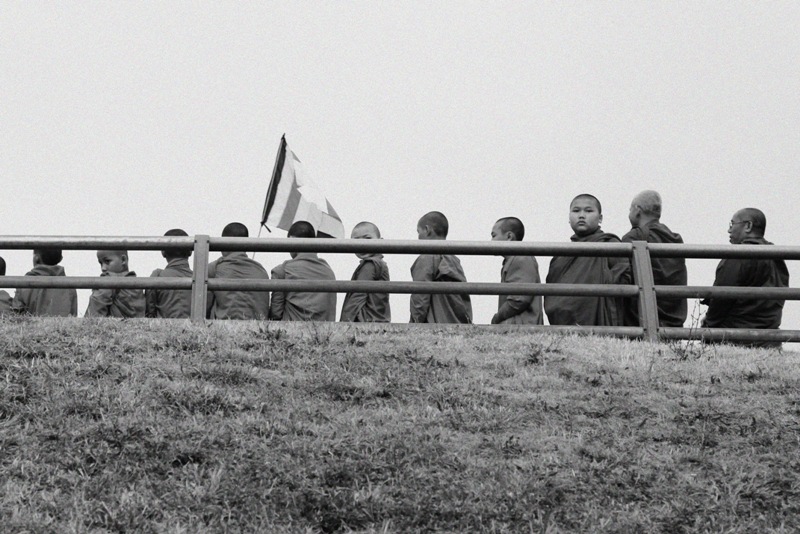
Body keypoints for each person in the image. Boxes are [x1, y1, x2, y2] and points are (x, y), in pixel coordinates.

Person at [702, 208, 789, 347]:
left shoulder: (739, 255)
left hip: (736, 337)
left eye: (732, 224)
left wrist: (708, 325)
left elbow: (721, 297)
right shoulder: (777, 256)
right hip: (769, 338)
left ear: (748, 226)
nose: (729, 230)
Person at [545, 194, 631, 326]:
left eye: (588, 211)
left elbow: (624, 279)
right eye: (576, 211)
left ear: (600, 218)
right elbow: (550, 294)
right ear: (569, 218)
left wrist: (601, 280)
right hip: (563, 324)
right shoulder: (560, 255)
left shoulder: (610, 244)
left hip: (598, 321)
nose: (581, 215)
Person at [622, 190, 687, 327]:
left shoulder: (634, 237)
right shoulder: (675, 239)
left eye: (630, 209)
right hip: (674, 317)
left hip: (642, 318)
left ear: (637, 210)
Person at [410, 211, 472, 324]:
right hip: (456, 324)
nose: (418, 238)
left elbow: (420, 298)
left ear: (427, 230)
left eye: (419, 232)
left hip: (434, 325)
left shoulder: (427, 258)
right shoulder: (454, 260)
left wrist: (414, 323)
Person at [269, 220, 337, 321]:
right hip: (324, 330)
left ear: (292, 240)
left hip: (290, 330)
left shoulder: (282, 271)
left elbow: (276, 314)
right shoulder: (329, 272)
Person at [207, 222, 270, 320]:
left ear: (223, 243)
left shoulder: (215, 268)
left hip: (223, 327)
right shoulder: (261, 270)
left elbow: (203, 307)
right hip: (256, 327)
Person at [490, 217, 543, 325]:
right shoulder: (513, 259)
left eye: (494, 236)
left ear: (509, 237)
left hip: (522, 328)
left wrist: (496, 319)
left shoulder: (521, 258)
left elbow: (518, 299)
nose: (491, 241)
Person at [340, 222, 391, 322]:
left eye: (367, 238)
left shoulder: (371, 264)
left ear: (381, 241)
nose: (362, 244)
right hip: (378, 320)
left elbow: (357, 298)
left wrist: (344, 323)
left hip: (366, 322)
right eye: (356, 241)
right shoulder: (379, 263)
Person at [11, 248, 78, 316]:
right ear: (61, 258)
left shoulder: (24, 284)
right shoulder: (69, 286)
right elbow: (73, 315)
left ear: (36, 258)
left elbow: (16, 316)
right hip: (61, 323)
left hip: (32, 323)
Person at [145, 229, 193, 319]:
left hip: (164, 327)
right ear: (190, 251)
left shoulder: (157, 276)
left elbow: (150, 313)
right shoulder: (200, 279)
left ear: (163, 252)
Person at [85, 250, 146, 318]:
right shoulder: (138, 283)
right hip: (138, 323)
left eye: (107, 261)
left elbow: (94, 313)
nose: (103, 268)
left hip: (115, 324)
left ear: (123, 260)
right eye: (101, 263)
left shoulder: (107, 281)